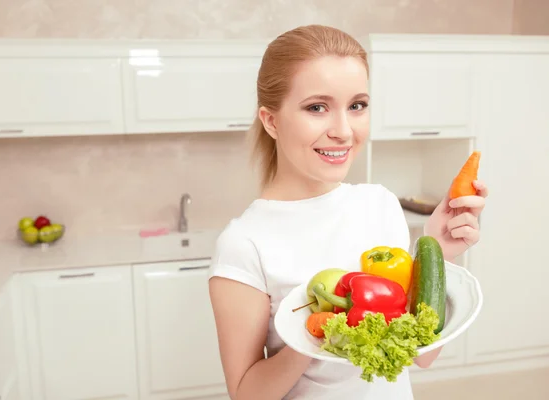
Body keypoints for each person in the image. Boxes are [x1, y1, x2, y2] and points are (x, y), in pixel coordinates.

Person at [207, 24, 488, 400]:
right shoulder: (244, 243)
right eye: (317, 107)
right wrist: (316, 332)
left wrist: (436, 254)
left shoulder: (380, 204)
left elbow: (422, 356)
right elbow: (246, 393)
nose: (343, 130)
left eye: (357, 106)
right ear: (271, 120)